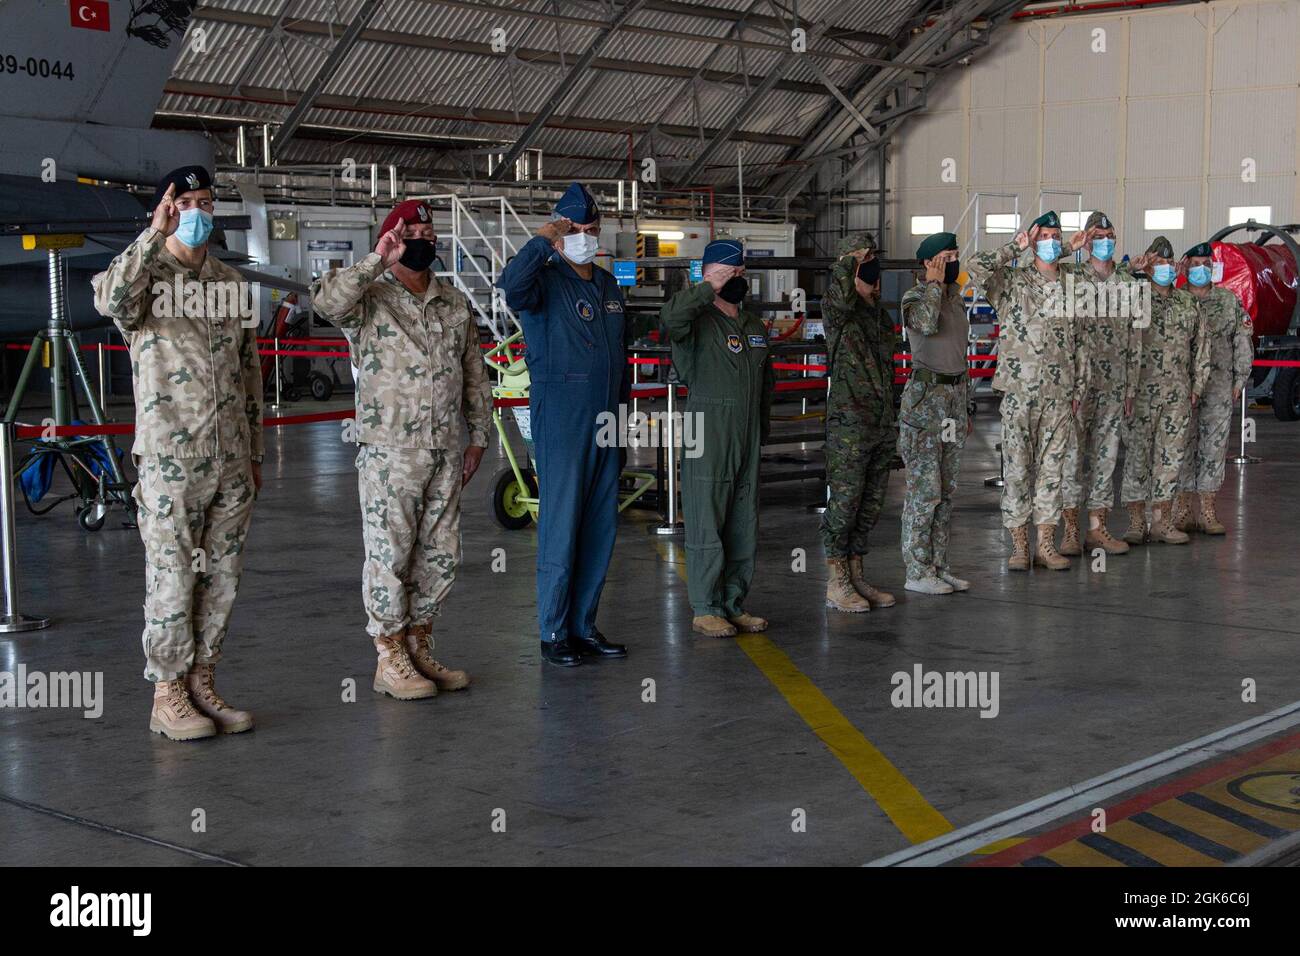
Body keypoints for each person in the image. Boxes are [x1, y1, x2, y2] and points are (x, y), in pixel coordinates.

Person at [92, 165, 262, 741]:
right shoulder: (145, 278)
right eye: (184, 201)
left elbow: (249, 373)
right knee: (172, 577)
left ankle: (202, 684)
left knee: (221, 577)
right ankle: (167, 694)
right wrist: (150, 233)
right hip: (172, 460)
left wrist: (255, 453)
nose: (196, 212)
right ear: (167, 207)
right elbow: (108, 299)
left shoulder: (228, 282)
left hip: (231, 459)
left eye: (205, 202)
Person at [312, 200, 489, 699]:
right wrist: (377, 260)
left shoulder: (453, 301)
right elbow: (326, 304)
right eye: (411, 230)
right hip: (391, 451)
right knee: (390, 553)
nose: (423, 237)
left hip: (445, 449)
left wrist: (478, 436)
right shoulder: (370, 296)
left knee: (441, 553)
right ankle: (389, 656)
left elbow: (474, 372)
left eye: (429, 230)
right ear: (391, 238)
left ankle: (419, 644)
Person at [496, 183, 629, 666]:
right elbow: (510, 286)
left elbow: (620, 356)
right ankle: (553, 630)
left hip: (608, 419)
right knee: (562, 525)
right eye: (575, 230)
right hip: (563, 418)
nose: (586, 237)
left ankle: (583, 625)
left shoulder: (608, 285)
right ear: (558, 232)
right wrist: (541, 239)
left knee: (599, 525)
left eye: (592, 229)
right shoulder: (543, 281)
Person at [661, 239, 774, 637]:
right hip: (708, 429)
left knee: (743, 521)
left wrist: (763, 430)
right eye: (729, 273)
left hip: (747, 433)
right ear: (708, 274)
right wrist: (708, 287)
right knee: (707, 520)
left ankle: (732, 602)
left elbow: (766, 382)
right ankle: (705, 607)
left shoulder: (754, 326)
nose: (737, 280)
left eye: (741, 273)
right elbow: (669, 318)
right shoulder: (695, 321)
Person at [966, 210, 1088, 571]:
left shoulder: (1071, 284)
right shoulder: (1013, 282)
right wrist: (1013, 247)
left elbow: (1080, 342)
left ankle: (1046, 545)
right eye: (1044, 236)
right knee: (1018, 470)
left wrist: (1078, 387)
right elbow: (975, 267)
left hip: (1060, 393)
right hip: (1020, 392)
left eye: (1056, 236)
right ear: (1034, 240)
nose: (1050, 242)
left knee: (1053, 471)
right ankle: (1019, 545)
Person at [818, 232, 898, 612]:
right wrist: (849, 260)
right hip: (850, 425)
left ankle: (856, 573)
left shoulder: (879, 315)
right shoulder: (837, 308)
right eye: (864, 262)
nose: (872, 268)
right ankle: (837, 582)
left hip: (880, 423)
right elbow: (840, 296)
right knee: (845, 503)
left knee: (870, 504)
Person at [1058, 212, 1141, 555]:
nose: (1104, 240)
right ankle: (1069, 531)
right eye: (1097, 235)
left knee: (1106, 459)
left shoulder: (1130, 283)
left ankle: (1097, 529)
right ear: (1086, 240)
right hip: (1078, 386)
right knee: (1071, 458)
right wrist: (1066, 247)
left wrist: (1131, 387)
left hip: (1114, 385)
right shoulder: (1070, 278)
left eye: (1109, 234)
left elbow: (1136, 338)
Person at [1119, 237, 1211, 544]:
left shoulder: (1188, 302)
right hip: (1139, 394)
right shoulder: (1134, 297)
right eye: (1159, 263)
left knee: (1170, 460)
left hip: (1177, 395)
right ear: (1149, 264)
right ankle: (1135, 523)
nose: (1165, 269)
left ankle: (1162, 522)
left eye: (1169, 264)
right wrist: (1130, 270)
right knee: (1137, 458)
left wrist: (1196, 387)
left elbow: (1202, 348)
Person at [898, 231, 971, 595]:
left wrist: (965, 406)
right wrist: (933, 285)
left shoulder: (956, 300)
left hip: (953, 400)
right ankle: (917, 569)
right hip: (926, 403)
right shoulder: (915, 297)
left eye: (955, 255)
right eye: (945, 256)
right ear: (927, 263)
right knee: (924, 492)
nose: (953, 262)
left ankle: (940, 566)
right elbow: (926, 324)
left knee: (946, 491)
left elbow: (961, 356)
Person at [1174, 242, 1254, 536]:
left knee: (1214, 447)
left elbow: (1242, 340)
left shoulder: (1228, 300)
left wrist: (1240, 379)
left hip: (1219, 386)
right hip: (1183, 387)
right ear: (1186, 267)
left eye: (1206, 264)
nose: (1201, 269)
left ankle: (1207, 510)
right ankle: (1183, 509)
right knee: (1182, 444)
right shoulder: (1177, 300)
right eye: (1195, 264)